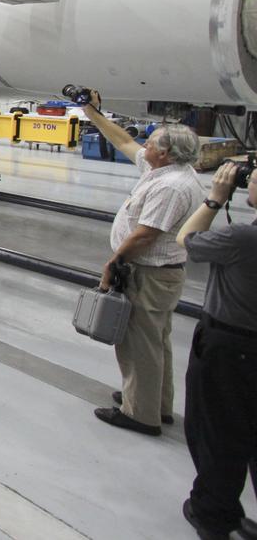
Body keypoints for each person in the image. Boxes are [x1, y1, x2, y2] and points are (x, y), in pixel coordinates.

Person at [82, 90, 204, 436]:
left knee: (139, 344)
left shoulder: (172, 186)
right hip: (156, 273)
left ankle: (141, 414)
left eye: (150, 143)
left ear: (164, 153)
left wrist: (113, 262)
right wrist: (92, 113)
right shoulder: (164, 170)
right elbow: (122, 141)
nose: (143, 146)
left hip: (148, 273)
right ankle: (154, 401)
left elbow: (145, 235)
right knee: (154, 340)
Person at [175, 161, 257, 540]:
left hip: (231, 347)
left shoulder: (242, 240)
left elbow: (186, 240)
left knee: (217, 432)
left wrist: (214, 199)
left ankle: (212, 513)